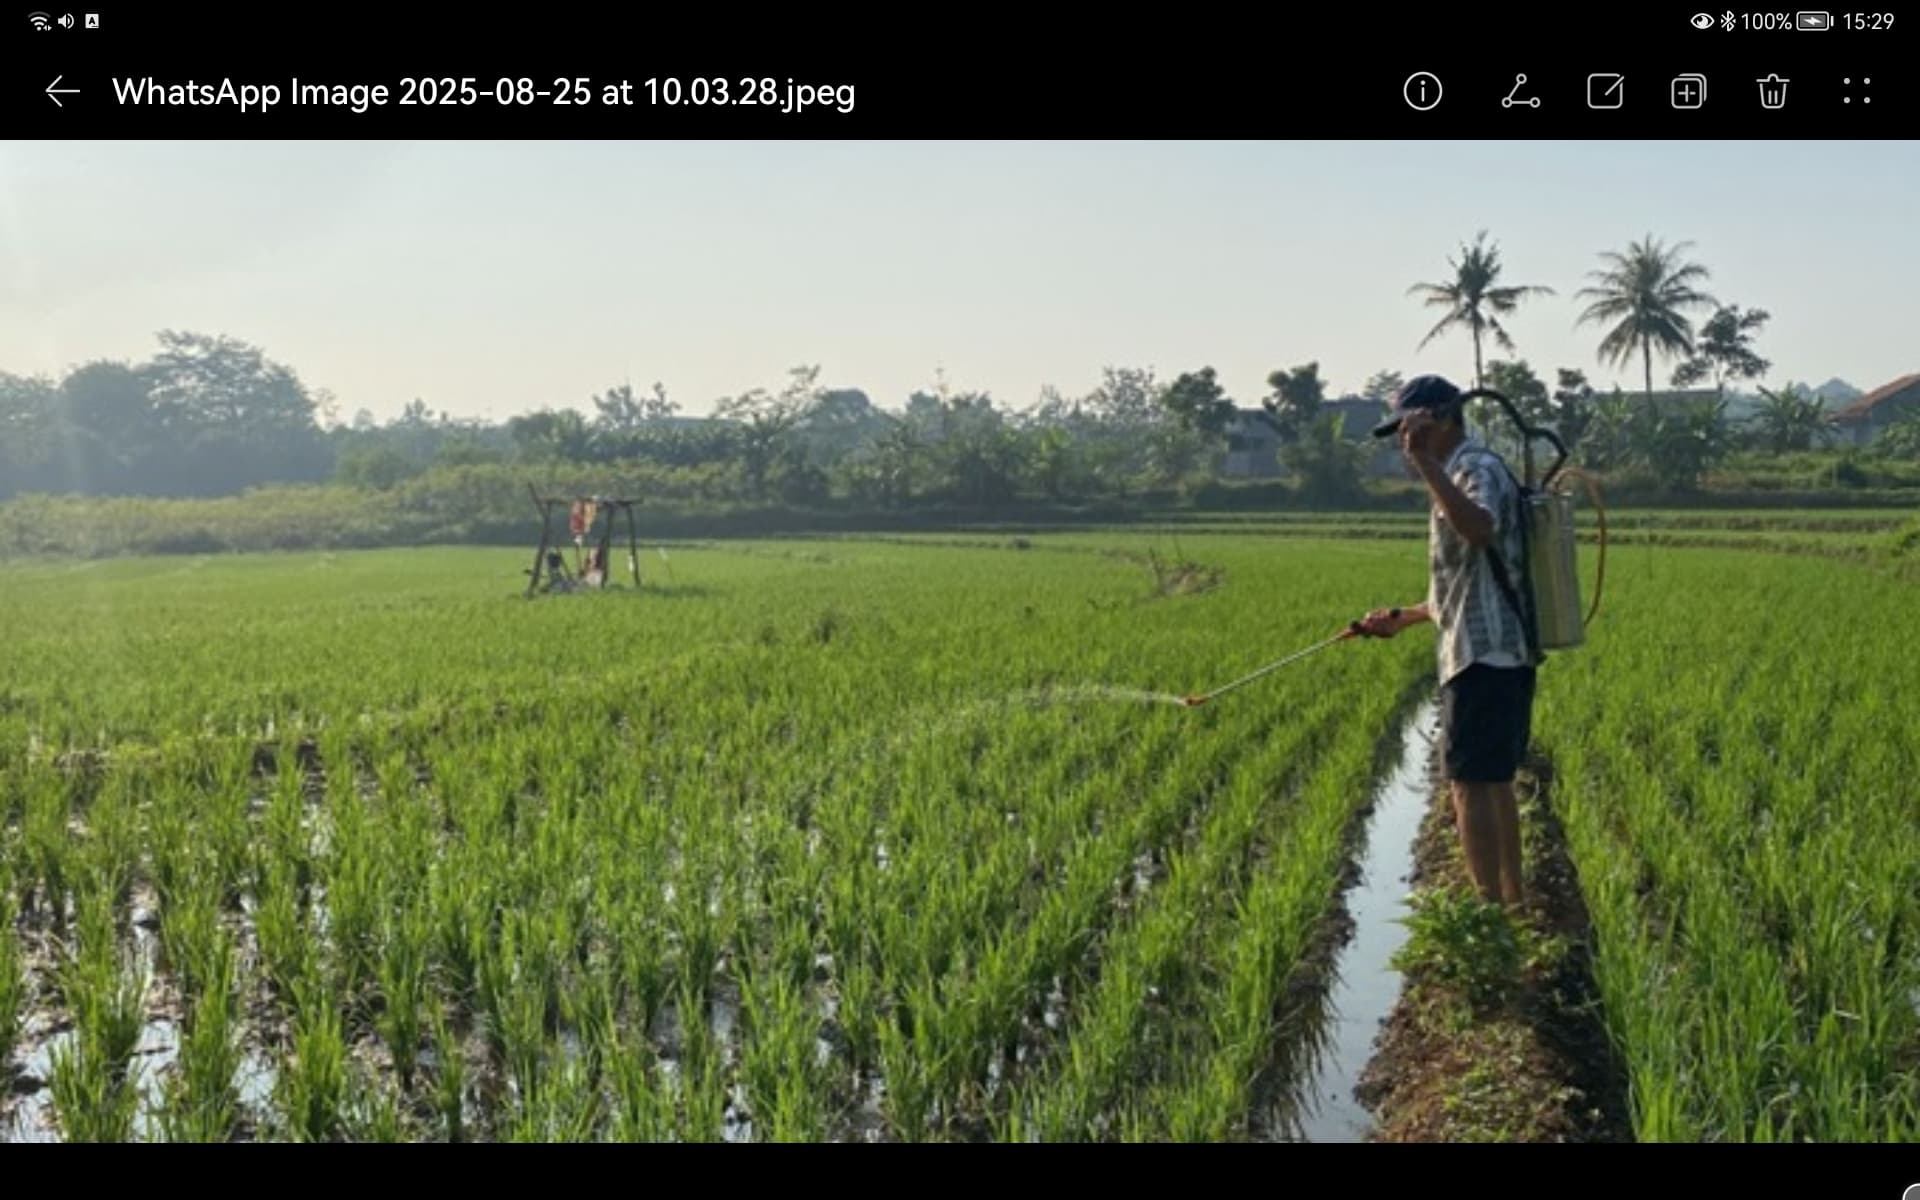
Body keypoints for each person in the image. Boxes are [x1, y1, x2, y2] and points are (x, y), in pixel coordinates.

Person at [1355, 375, 1540, 909]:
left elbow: (1480, 527)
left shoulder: (1473, 467)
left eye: (1407, 428)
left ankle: (1489, 911)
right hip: (1484, 648)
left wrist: (1429, 466)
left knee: (1469, 784)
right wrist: (1403, 617)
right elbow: (1461, 584)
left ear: (1438, 419)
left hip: (1488, 653)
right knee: (1490, 781)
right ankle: (1511, 902)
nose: (1401, 442)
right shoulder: (1460, 471)